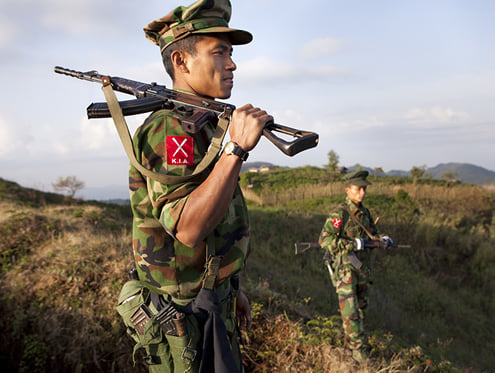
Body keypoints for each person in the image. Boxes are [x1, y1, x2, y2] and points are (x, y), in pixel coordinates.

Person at [117, 1, 273, 372]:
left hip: (209, 301)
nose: (232, 64)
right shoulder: (171, 128)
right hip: (183, 317)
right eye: (219, 53)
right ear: (181, 62)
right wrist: (235, 150)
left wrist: (229, 287)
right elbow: (188, 228)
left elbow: (215, 224)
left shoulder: (203, 124)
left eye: (231, 54)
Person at [318, 170, 394, 364]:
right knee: (350, 311)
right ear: (347, 190)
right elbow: (325, 241)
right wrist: (353, 244)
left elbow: (372, 235)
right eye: (358, 189)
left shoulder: (365, 213)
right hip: (345, 269)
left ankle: (350, 344)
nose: (362, 193)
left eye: (364, 189)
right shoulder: (339, 214)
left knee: (360, 309)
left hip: (361, 269)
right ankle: (359, 352)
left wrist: (382, 239)